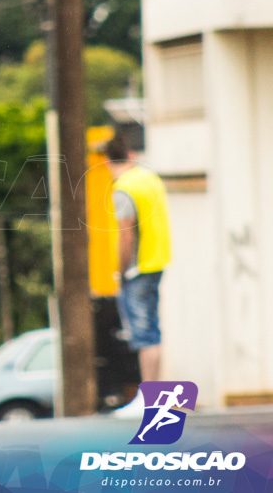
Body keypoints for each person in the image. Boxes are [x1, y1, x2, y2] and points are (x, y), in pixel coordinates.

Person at [104, 134, 171, 386]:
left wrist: (120, 271)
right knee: (151, 330)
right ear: (130, 155)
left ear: (108, 162)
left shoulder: (123, 188)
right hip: (156, 261)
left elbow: (126, 236)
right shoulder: (149, 179)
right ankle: (151, 393)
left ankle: (149, 395)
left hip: (137, 268)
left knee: (144, 335)